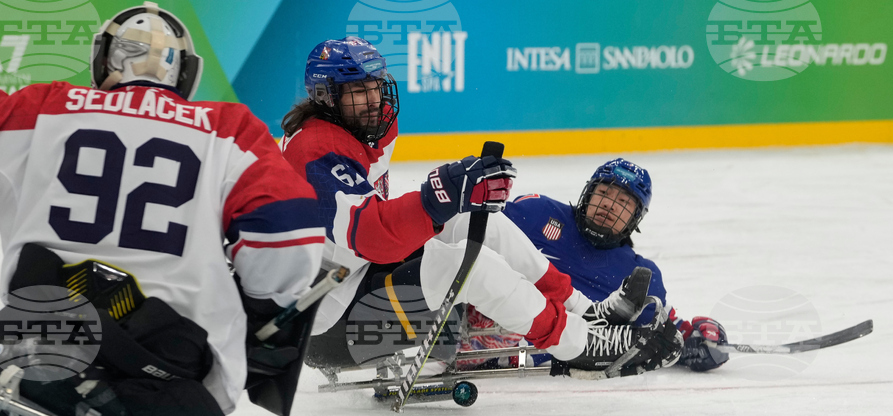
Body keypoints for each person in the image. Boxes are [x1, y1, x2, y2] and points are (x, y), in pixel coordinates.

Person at [0, 3, 325, 416]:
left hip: (43, 354)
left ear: (104, 62)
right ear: (184, 72)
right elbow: (288, 237)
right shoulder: (229, 129)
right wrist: (262, 299)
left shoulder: (41, 111)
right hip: (172, 367)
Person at [279, 38, 683, 379]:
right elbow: (372, 237)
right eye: (357, 91)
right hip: (327, 328)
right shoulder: (313, 153)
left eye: (374, 86)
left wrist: (454, 193)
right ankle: (579, 346)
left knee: (473, 217)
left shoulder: (364, 126)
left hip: (351, 280)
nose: (372, 101)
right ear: (325, 97)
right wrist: (438, 194)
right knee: (465, 266)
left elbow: (374, 232)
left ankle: (585, 311)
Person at [462, 158, 728, 373]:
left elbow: (665, 329)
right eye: (603, 193)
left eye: (623, 202)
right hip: (468, 310)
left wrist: (695, 339)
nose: (609, 205)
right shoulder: (536, 212)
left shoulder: (639, 273)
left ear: (636, 218)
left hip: (513, 352)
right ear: (587, 193)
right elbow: (474, 233)